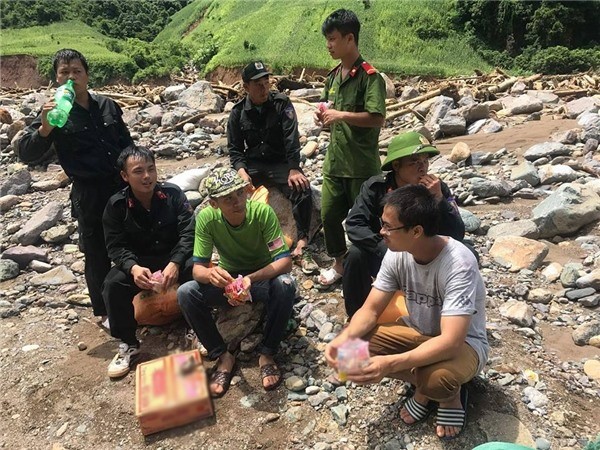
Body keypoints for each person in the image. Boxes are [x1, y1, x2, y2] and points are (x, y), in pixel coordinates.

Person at [325, 185, 488, 441]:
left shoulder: (459, 263)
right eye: (382, 223)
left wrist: (389, 363)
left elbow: (452, 341)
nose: (381, 232)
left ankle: (447, 396)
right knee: (349, 357)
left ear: (416, 231)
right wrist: (341, 341)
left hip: (463, 345)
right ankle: (422, 383)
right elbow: (370, 310)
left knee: (438, 380)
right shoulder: (397, 254)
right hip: (418, 333)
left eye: (389, 227)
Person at [18, 49, 133, 325]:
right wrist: (45, 129)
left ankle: (134, 297)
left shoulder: (107, 105)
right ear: (56, 79)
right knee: (96, 254)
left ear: (87, 75)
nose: (71, 77)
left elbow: (127, 144)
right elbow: (26, 152)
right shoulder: (55, 113)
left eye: (77, 71)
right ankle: (106, 313)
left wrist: (140, 175)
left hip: (120, 186)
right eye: (64, 72)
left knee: (130, 241)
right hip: (89, 193)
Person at [177, 168, 296, 398]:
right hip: (229, 278)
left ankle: (267, 353)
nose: (237, 202)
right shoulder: (207, 218)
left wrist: (250, 279)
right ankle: (222, 356)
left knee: (285, 285)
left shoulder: (262, 213)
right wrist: (212, 275)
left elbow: (284, 261)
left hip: (260, 278)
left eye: (240, 194)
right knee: (186, 293)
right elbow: (198, 268)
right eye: (228, 199)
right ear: (214, 203)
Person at [343, 131, 465, 317]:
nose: (422, 168)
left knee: (468, 253)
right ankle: (356, 316)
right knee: (355, 255)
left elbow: (457, 234)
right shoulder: (376, 188)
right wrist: (381, 245)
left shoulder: (437, 189)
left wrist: (439, 200)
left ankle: (448, 317)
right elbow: (354, 223)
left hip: (426, 257)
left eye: (424, 161)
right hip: (387, 251)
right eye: (414, 162)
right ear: (396, 166)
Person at [102, 145, 195, 378]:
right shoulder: (116, 206)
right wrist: (133, 268)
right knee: (113, 285)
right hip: (140, 264)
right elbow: (116, 246)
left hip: (172, 258)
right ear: (125, 176)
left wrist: (175, 262)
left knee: (197, 268)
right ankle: (128, 344)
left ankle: (198, 327)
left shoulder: (173, 195)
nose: (147, 177)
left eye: (151, 169)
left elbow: (189, 233)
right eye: (138, 171)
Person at [315, 9, 386, 286]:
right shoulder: (332, 77)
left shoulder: (370, 77)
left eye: (332, 39)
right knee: (329, 215)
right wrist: (323, 118)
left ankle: (374, 269)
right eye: (327, 40)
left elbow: (377, 118)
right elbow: (328, 112)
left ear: (350, 38)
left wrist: (341, 116)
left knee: (365, 224)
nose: (329, 45)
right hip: (335, 163)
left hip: (361, 167)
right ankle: (340, 262)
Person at [228, 61, 316, 271]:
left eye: (266, 82)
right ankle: (240, 245)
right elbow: (235, 149)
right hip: (254, 165)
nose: (264, 88)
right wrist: (241, 171)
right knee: (233, 193)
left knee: (302, 187)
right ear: (246, 86)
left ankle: (303, 242)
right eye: (258, 84)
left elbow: (291, 139)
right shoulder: (238, 113)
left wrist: (294, 168)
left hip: (280, 163)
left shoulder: (281, 104)